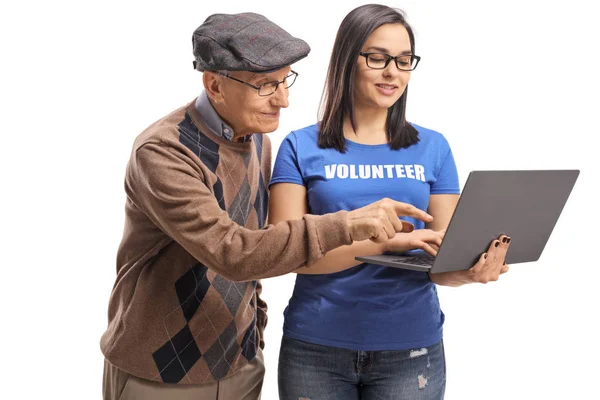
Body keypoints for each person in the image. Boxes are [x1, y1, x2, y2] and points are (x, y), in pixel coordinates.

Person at [100, 11, 433, 400]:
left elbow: (262, 244)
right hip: (162, 371)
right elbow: (233, 252)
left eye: (285, 81)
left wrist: (253, 331)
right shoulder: (164, 152)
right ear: (215, 85)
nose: (284, 100)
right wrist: (347, 225)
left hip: (239, 364)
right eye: (266, 85)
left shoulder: (258, 140)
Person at [269, 4, 512, 400]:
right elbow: (284, 253)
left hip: (412, 351)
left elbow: (439, 261)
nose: (392, 72)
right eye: (378, 58)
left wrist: (468, 273)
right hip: (315, 348)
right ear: (347, 60)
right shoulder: (300, 145)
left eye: (403, 60)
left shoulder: (433, 147)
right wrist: (382, 242)